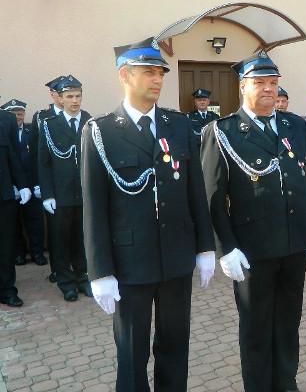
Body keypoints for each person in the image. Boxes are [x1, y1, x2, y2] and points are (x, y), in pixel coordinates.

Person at [82, 37, 216, 392]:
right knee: (131, 352)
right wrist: (100, 270)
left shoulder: (178, 125)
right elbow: (94, 207)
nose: (157, 79)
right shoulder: (101, 131)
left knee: (175, 346)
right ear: (124, 75)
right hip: (130, 262)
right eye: (148, 72)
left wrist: (205, 246)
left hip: (176, 257)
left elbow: (195, 191)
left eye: (160, 73)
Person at [201, 50, 306, 392]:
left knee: (288, 324)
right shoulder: (223, 131)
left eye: (273, 82)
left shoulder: (295, 125)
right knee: (256, 329)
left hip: (294, 244)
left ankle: (286, 383)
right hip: (252, 250)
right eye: (260, 82)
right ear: (243, 86)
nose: (269, 89)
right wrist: (225, 247)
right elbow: (212, 197)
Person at [38, 76, 92, 301]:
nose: (75, 101)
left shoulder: (89, 121)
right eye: (70, 96)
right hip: (60, 194)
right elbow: (43, 162)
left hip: (85, 192)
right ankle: (66, 282)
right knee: (60, 241)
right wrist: (47, 194)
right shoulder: (50, 124)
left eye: (78, 96)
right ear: (60, 99)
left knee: (83, 238)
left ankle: (83, 278)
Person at [1, 99, 47, 266]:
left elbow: (38, 158)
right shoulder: (4, 132)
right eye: (14, 114)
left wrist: (38, 183)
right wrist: (12, 185)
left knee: (35, 222)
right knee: (13, 224)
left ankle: (37, 253)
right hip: (11, 187)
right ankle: (19, 254)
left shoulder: (31, 131)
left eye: (20, 113)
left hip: (31, 185)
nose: (18, 117)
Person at [31, 75, 66, 283]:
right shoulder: (42, 117)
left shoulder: (80, 116)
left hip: (72, 186)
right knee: (56, 232)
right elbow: (37, 154)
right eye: (58, 93)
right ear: (53, 95)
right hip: (52, 183)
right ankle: (58, 269)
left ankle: (77, 270)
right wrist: (38, 184)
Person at [0, 104, 31, 307]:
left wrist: (22, 185)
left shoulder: (7, 120)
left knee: (5, 246)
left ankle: (7, 290)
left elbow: (14, 156)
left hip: (4, 195)